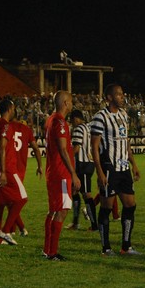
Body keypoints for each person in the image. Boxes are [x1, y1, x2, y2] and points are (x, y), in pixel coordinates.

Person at [91, 84, 141, 256]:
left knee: (130, 205)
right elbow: (94, 147)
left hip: (124, 168)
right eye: (118, 94)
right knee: (106, 208)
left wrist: (133, 164)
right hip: (109, 167)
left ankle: (126, 246)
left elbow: (126, 143)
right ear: (109, 97)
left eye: (122, 93)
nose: (122, 96)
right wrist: (99, 171)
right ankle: (106, 248)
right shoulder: (100, 117)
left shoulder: (124, 115)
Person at [43, 91, 81, 261]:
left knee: (53, 210)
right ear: (65, 103)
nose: (72, 104)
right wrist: (73, 174)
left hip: (53, 171)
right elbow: (63, 149)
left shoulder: (51, 119)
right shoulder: (60, 122)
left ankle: (47, 249)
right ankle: (52, 252)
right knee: (62, 211)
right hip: (61, 173)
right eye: (71, 101)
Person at [0, 99, 27, 246]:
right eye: (14, 108)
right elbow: (1, 147)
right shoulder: (5, 125)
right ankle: (5, 231)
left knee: (0, 204)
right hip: (5, 169)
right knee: (22, 198)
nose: (15, 110)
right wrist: (3, 171)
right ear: (10, 109)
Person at [10, 118, 43, 237]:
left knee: (11, 201)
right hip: (21, 170)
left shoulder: (8, 127)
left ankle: (21, 228)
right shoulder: (27, 130)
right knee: (13, 200)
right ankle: (12, 230)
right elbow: (36, 148)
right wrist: (40, 166)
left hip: (10, 168)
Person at [66, 109, 98, 231]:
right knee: (74, 191)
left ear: (75, 119)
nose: (72, 124)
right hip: (89, 163)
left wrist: (67, 159)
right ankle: (75, 223)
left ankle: (94, 225)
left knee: (86, 194)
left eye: (71, 121)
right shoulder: (89, 127)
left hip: (82, 164)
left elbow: (77, 148)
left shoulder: (79, 129)